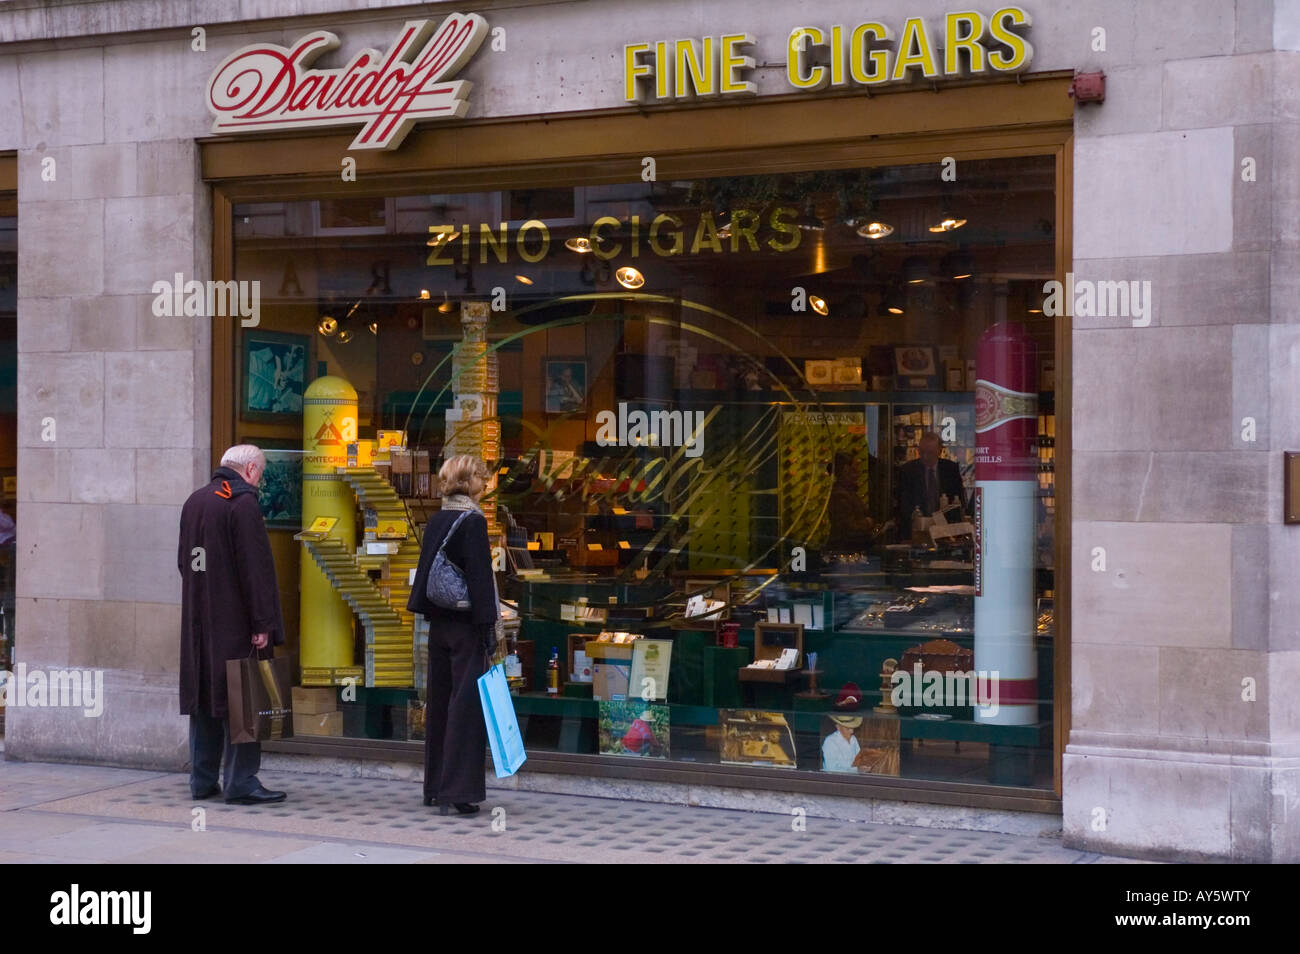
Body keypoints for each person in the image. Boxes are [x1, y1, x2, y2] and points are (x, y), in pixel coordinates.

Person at [177, 445, 287, 805]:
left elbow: (185, 563)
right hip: (237, 621)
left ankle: (202, 779)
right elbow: (255, 571)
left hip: (200, 621)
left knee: (206, 698)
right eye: (261, 473)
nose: (260, 480)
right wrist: (262, 623)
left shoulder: (196, 501)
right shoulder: (242, 504)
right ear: (251, 469)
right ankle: (241, 782)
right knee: (246, 697)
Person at [408, 454, 503, 816]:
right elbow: (480, 581)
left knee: (441, 706)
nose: (486, 484)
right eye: (483, 477)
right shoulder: (472, 522)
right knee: (465, 710)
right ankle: (460, 791)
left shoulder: (438, 519)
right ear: (471, 482)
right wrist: (489, 631)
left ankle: (434, 786)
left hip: (439, 627)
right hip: (466, 630)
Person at [897, 432, 967, 530]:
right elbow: (903, 505)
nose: (925, 456)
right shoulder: (908, 470)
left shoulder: (950, 469)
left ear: (939, 451)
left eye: (930, 453)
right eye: (922, 452)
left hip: (946, 527)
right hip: (917, 527)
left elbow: (959, 499)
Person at [824, 452, 876, 551]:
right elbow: (849, 527)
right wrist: (868, 523)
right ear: (845, 471)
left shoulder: (848, 492)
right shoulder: (840, 495)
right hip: (845, 549)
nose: (858, 474)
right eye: (854, 470)